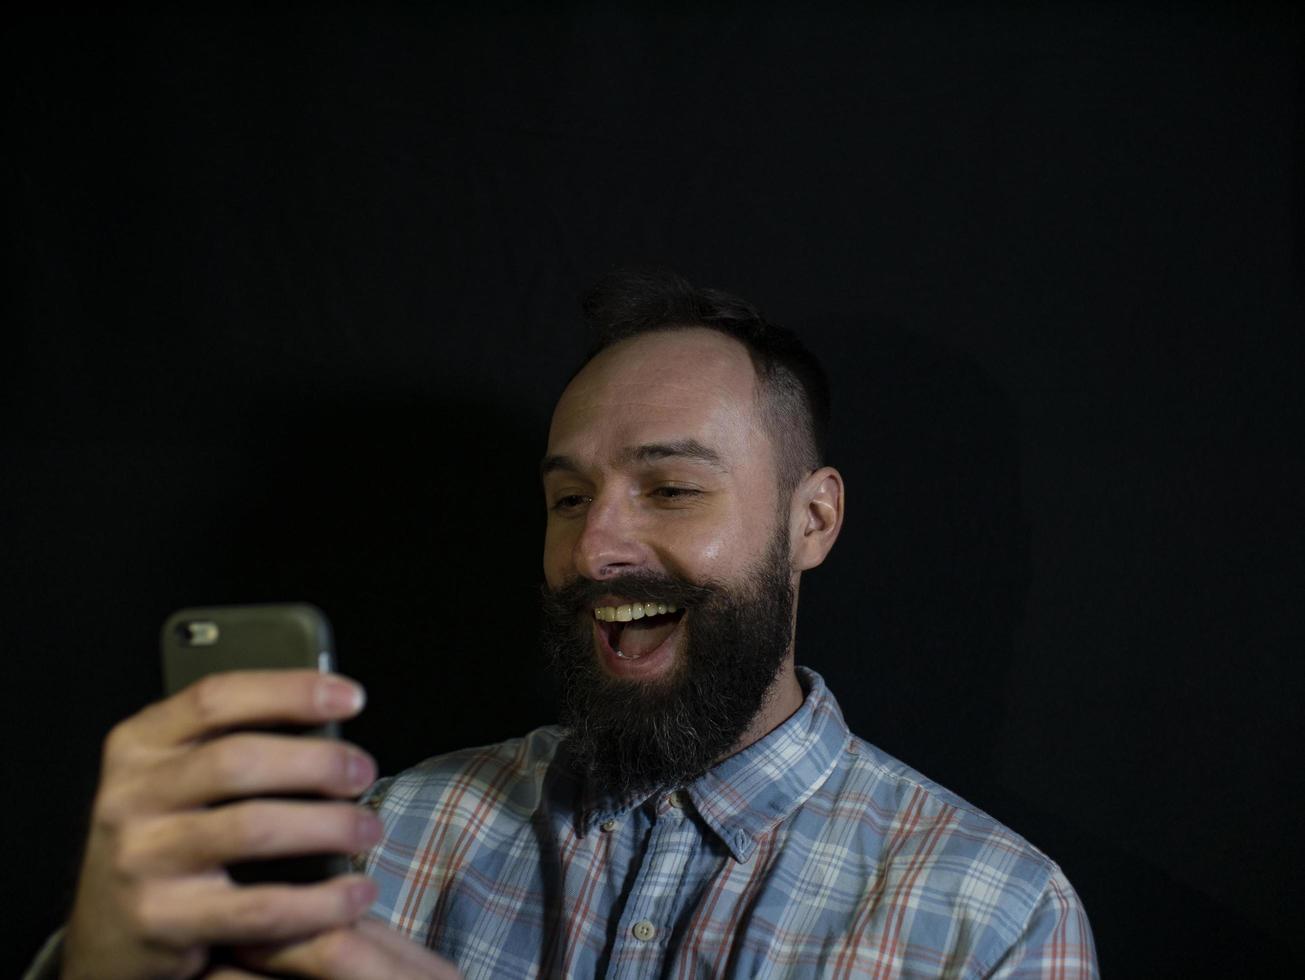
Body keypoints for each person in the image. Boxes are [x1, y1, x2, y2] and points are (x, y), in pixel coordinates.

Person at [32, 269, 1097, 979]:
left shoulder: (988, 918)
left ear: (811, 519)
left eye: (672, 488)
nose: (595, 552)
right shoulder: (388, 833)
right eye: (568, 497)